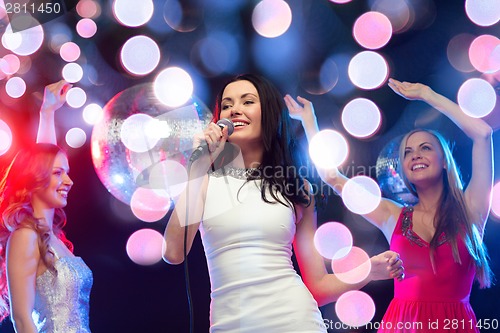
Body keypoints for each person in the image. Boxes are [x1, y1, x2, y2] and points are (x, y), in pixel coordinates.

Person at [163, 73, 404, 332]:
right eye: (227, 104)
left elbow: (318, 286)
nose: (234, 110)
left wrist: (367, 271)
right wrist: (198, 165)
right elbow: (173, 253)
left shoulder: (296, 188)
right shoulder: (204, 182)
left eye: (247, 102)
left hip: (294, 321)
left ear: (268, 114)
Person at [285, 78, 494, 333]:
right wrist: (310, 121)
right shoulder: (391, 214)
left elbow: (482, 134)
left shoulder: (471, 209)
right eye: (407, 152)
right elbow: (332, 177)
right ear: (404, 169)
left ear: (444, 161)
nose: (415, 154)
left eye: (425, 148)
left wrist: (427, 94)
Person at [0, 80, 93, 333]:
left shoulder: (50, 236)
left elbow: (45, 159)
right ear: (36, 178)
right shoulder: (24, 237)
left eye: (68, 172)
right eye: (58, 173)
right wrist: (46, 113)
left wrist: (48, 112)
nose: (69, 180)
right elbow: (22, 320)